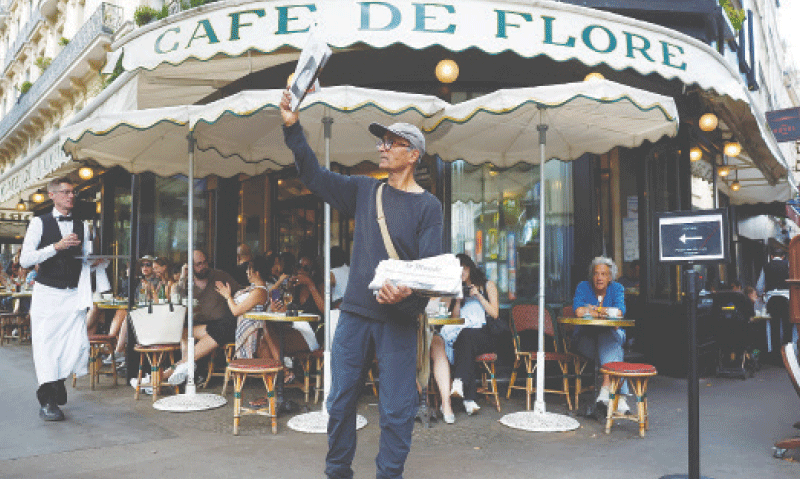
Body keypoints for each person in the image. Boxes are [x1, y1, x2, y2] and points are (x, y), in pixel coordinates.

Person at [281, 88, 443, 478]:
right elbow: (313, 176)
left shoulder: (428, 207)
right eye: (382, 141)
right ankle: (337, 472)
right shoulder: (364, 190)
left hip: (400, 322)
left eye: (392, 143)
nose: (383, 147)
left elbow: (429, 274)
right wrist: (292, 128)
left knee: (397, 410)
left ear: (413, 154)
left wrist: (406, 293)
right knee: (339, 402)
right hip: (354, 315)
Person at [20, 176, 105, 421]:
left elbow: (86, 257)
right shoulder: (39, 222)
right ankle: (47, 400)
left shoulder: (83, 225)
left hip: (73, 294)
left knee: (74, 344)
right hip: (47, 293)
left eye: (73, 192)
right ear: (52, 195)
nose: (71, 196)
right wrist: (55, 247)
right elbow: (25, 259)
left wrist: (95, 260)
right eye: (66, 192)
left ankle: (57, 382)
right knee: (46, 346)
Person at [432, 253, 498, 422]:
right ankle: (469, 399)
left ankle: (460, 382)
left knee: (465, 336)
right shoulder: (455, 289)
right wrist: (458, 301)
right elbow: (455, 318)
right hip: (464, 333)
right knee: (463, 337)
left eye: (464, 268)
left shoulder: (487, 285)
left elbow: (495, 313)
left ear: (470, 268)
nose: (461, 272)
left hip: (484, 333)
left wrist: (478, 295)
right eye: (457, 269)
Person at [166, 250, 241, 384]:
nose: (203, 266)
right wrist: (183, 278)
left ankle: (173, 371)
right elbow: (175, 300)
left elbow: (240, 293)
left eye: (205, 262)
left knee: (220, 327)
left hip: (222, 325)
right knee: (183, 331)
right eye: (198, 264)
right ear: (190, 266)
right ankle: (186, 371)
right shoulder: (187, 283)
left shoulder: (220, 276)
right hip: (201, 325)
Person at [572, 256, 629, 414]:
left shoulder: (617, 288)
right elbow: (578, 311)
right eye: (596, 273)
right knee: (613, 348)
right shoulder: (583, 287)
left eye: (604, 274)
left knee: (606, 337)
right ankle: (620, 399)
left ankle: (606, 391)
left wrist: (594, 310)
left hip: (612, 335)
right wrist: (604, 311)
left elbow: (619, 312)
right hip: (586, 340)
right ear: (592, 276)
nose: (599, 277)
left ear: (610, 277)